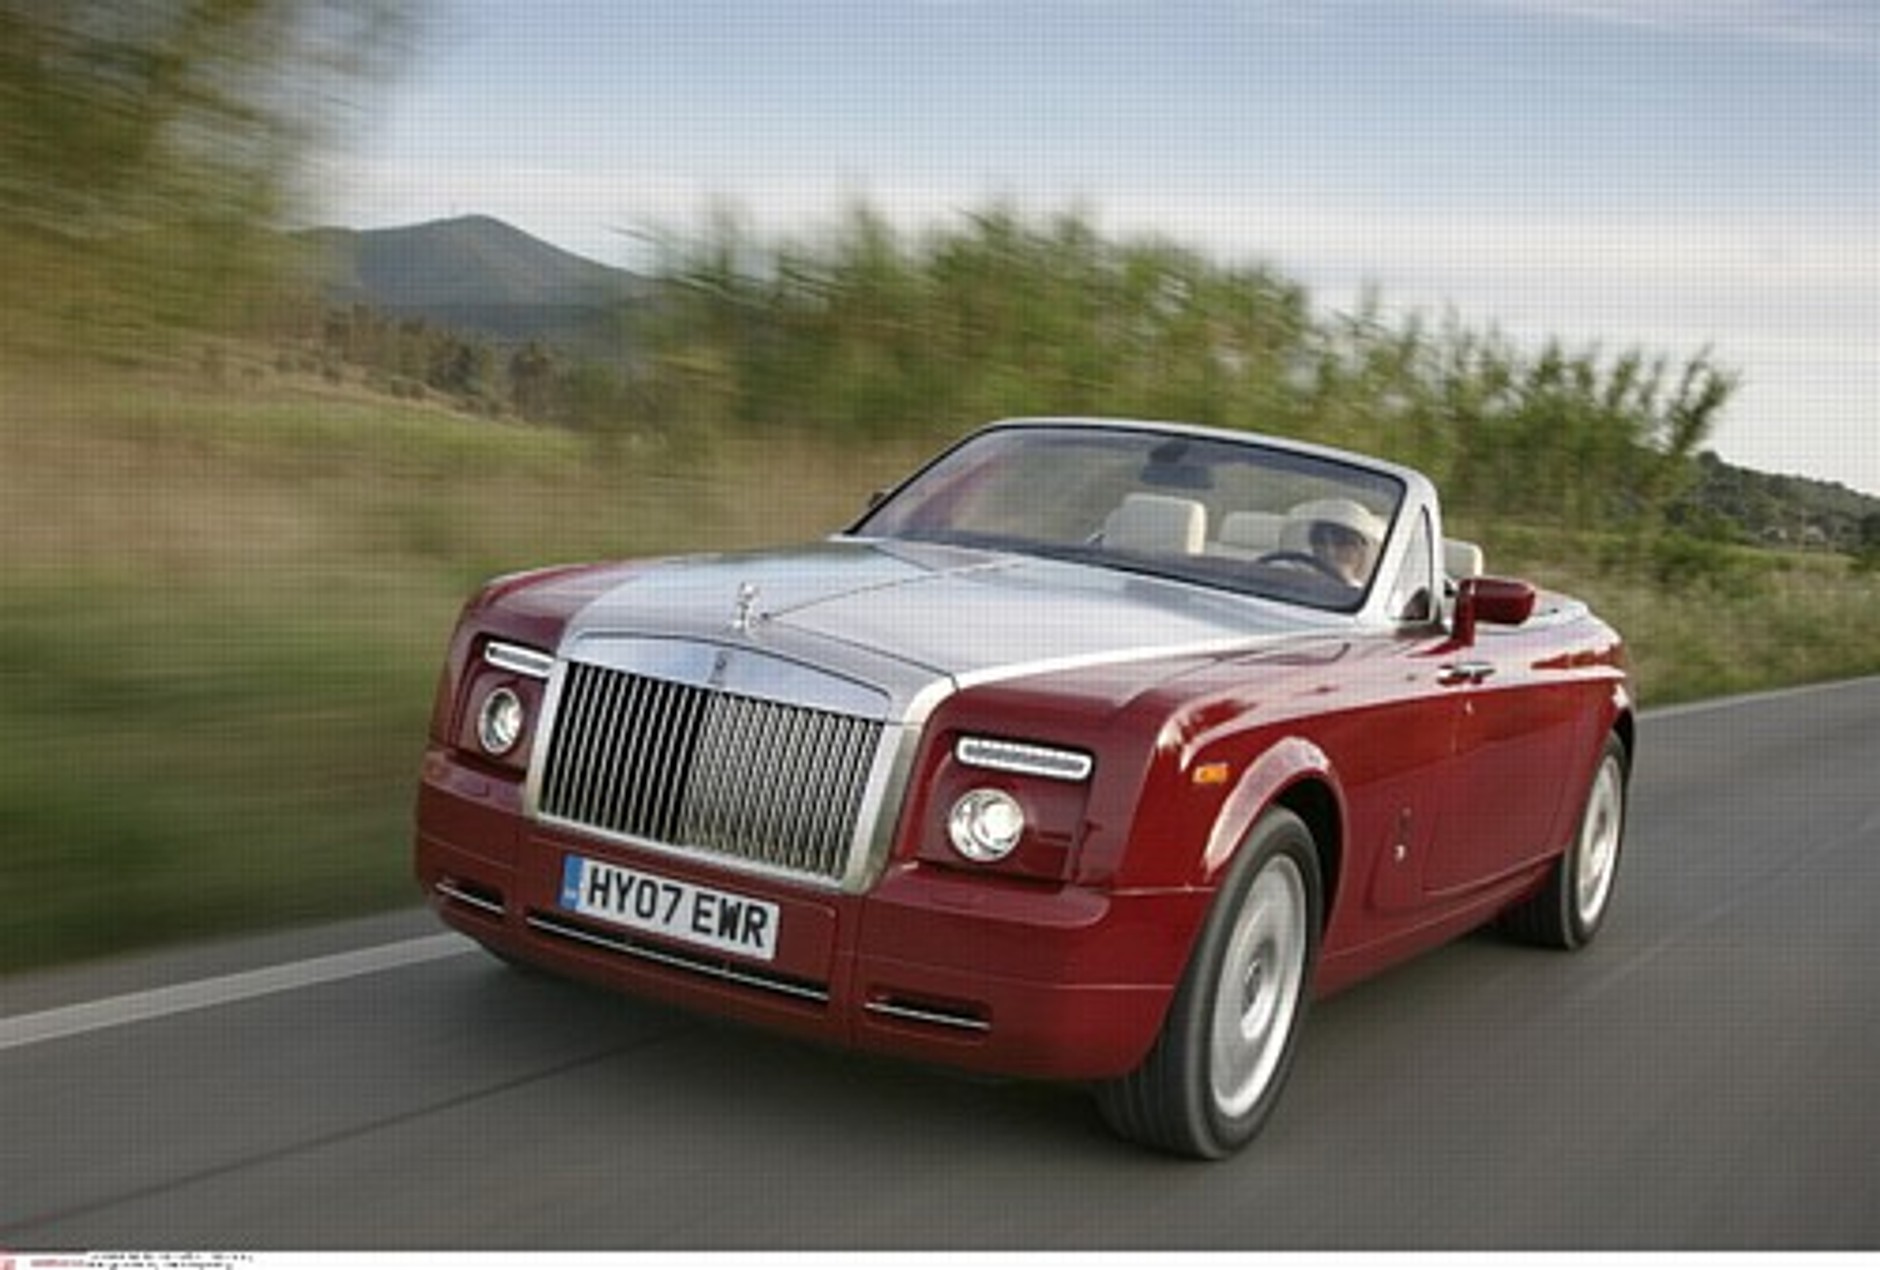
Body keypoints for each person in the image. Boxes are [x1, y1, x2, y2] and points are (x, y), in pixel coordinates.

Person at [1288, 498, 1385, 587]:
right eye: (1320, 541)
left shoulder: (1377, 595)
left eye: (1342, 543)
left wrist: (1345, 580)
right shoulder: (1297, 576)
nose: (1329, 551)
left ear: (1361, 548)